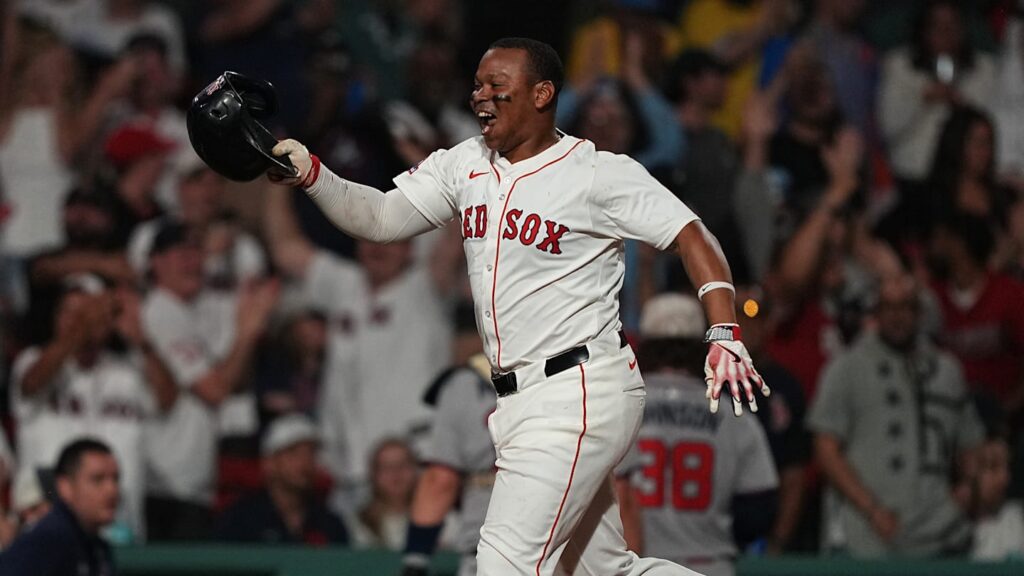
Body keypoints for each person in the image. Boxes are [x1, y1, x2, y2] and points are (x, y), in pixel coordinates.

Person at [269, 36, 766, 576]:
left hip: (578, 389)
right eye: (478, 85)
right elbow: (383, 218)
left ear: (541, 93)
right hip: (519, 398)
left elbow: (693, 237)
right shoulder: (466, 162)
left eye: (497, 86)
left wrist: (723, 332)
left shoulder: (596, 171)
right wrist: (313, 175)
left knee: (503, 565)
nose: (480, 95)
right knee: (604, 571)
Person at [808, 275, 985, 557]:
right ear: (876, 312)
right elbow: (825, 447)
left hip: (939, 530)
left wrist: (968, 490)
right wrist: (871, 509)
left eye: (905, 307)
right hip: (866, 534)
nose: (897, 317)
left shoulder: (946, 370)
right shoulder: (847, 367)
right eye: (888, 307)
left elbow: (970, 443)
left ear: (919, 313)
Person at [141, 220, 278, 540]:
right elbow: (215, 390)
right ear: (155, 262)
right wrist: (245, 331)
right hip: (163, 482)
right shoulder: (160, 312)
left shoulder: (192, 312)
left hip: (188, 479)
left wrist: (249, 328)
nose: (192, 262)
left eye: (196, 253)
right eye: (180, 254)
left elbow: (234, 382)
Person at [10, 276, 174, 541]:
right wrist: (81, 328)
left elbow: (168, 401)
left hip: (119, 528)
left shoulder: (127, 372)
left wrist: (142, 341)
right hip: (45, 527)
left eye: (89, 312)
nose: (82, 319)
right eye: (70, 311)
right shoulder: (32, 360)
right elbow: (31, 384)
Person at [625, 294, 778, 576]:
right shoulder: (734, 415)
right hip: (707, 564)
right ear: (701, 349)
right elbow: (758, 512)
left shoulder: (619, 409)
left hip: (637, 566)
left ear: (643, 347)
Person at [216, 413, 349, 545]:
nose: (305, 462)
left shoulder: (330, 524)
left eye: (311, 453)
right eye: (293, 453)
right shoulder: (240, 520)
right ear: (269, 463)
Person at [0, 439, 120, 576]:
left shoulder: (96, 546)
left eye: (115, 479)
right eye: (97, 479)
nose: (112, 490)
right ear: (65, 486)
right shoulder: (47, 542)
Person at [349, 438, 419, 550]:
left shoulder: (437, 519)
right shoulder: (357, 524)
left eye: (403, 465)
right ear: (374, 475)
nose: (396, 473)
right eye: (387, 467)